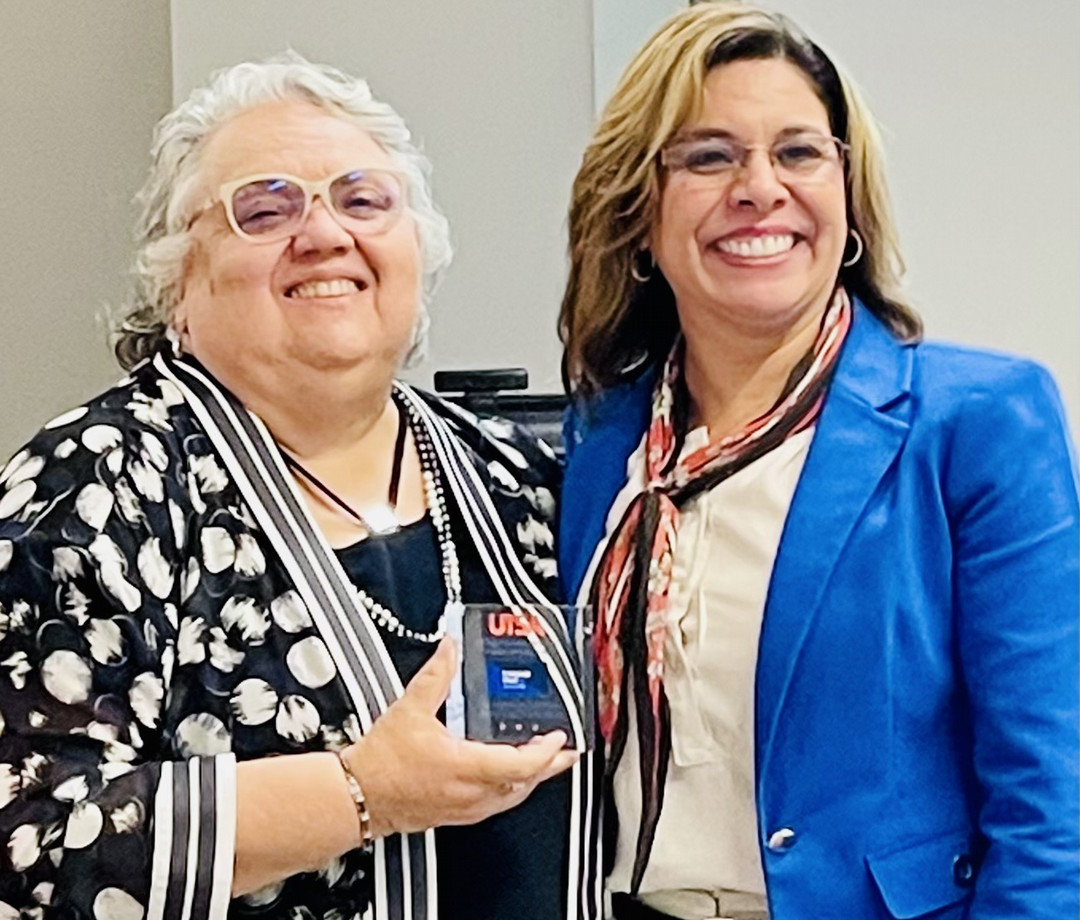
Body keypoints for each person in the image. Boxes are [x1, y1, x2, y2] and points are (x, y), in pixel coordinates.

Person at [0, 54, 599, 920]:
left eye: (363, 200)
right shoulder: (85, 496)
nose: (324, 234)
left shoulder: (521, 476)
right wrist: (361, 793)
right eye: (265, 209)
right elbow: (29, 841)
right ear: (179, 286)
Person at [557, 3, 1079, 919]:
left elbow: (1053, 803)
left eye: (798, 153)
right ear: (640, 214)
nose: (759, 188)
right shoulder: (603, 446)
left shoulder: (979, 421)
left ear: (850, 197)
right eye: (709, 156)